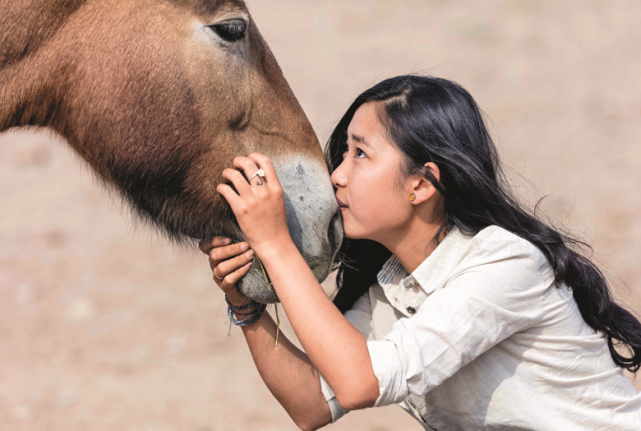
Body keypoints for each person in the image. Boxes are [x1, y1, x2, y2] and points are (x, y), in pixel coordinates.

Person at [199, 75, 641, 430]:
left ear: (421, 184)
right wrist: (247, 309)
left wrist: (276, 245)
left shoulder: (504, 263)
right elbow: (312, 403)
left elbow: (358, 384)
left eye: (359, 154)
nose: (336, 175)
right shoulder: (391, 291)